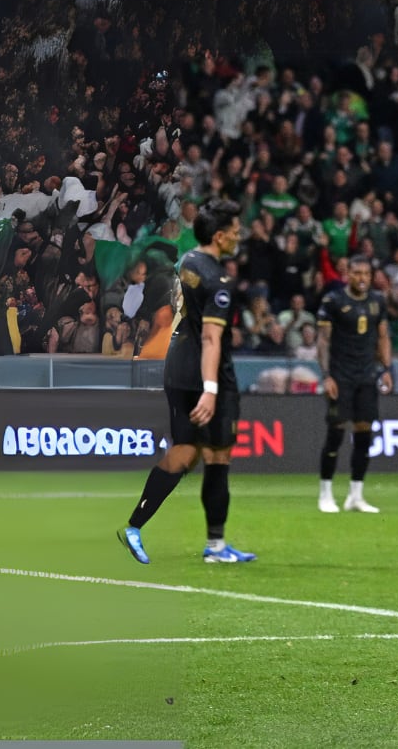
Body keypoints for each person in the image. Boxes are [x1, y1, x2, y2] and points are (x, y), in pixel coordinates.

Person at [116, 199, 256, 565]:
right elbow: (212, 338)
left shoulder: (188, 260)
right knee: (217, 455)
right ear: (221, 236)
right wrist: (211, 390)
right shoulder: (217, 280)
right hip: (204, 372)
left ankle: (135, 526)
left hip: (177, 366)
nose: (240, 235)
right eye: (236, 231)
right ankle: (216, 546)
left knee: (185, 451)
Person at [315, 254, 393, 513]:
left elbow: (382, 337)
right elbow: (323, 341)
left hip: (367, 376)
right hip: (340, 376)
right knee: (336, 433)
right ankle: (325, 493)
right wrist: (326, 375)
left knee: (364, 434)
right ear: (347, 274)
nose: (362, 278)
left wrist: (386, 369)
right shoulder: (333, 301)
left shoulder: (377, 302)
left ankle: (355, 495)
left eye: (366, 274)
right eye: (357, 273)